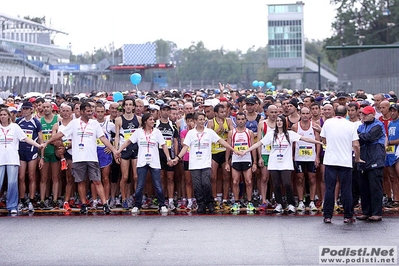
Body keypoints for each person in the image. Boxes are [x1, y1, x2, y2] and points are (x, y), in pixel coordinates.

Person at [43, 102, 119, 214]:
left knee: (97, 181)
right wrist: (47, 142)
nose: (91, 113)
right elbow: (61, 134)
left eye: (91, 111)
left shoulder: (94, 124)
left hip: (92, 157)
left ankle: (104, 204)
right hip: (78, 158)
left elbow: (103, 138)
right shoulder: (74, 123)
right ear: (82, 112)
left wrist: (114, 150)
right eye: (88, 111)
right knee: (81, 182)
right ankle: (83, 204)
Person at [242, 115, 322, 214]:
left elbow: (305, 139)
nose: (279, 122)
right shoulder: (271, 134)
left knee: (287, 183)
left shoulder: (290, 134)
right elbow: (259, 143)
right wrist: (246, 150)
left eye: (281, 121)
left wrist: (319, 142)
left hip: (286, 164)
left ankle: (291, 204)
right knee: (276, 184)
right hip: (274, 163)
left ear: (285, 123)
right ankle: (279, 203)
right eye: (278, 120)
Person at [172, 112, 237, 214]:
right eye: (200, 119)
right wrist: (177, 157)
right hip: (194, 164)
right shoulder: (191, 133)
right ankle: (201, 204)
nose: (202, 121)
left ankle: (210, 202)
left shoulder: (209, 132)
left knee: (206, 183)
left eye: (203, 119)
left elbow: (221, 141)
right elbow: (185, 147)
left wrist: (233, 149)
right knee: (197, 185)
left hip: (206, 163)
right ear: (195, 121)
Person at [117, 113, 170, 214]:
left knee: (157, 184)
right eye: (150, 120)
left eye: (153, 120)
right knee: (140, 184)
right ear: (145, 121)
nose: (153, 121)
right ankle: (137, 205)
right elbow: (128, 142)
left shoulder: (157, 132)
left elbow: (163, 145)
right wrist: (119, 150)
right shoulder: (138, 132)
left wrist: (168, 158)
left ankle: (162, 204)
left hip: (154, 161)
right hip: (142, 161)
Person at [320, 105, 362, 224]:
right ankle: (348, 216)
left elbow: (323, 138)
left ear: (334, 112)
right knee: (346, 189)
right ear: (346, 114)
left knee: (329, 188)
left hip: (330, 159)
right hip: (345, 160)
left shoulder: (328, 123)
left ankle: (327, 216)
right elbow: (356, 144)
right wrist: (357, 158)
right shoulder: (351, 125)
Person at [0, 108, 43, 214]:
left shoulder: (15, 127)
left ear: (9, 116)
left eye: (4, 114)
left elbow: (25, 138)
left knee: (12, 183)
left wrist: (38, 146)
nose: (2, 116)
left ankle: (12, 206)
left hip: (12, 159)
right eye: (0, 114)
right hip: (1, 159)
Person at [356, 106, 385, 222]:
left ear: (372, 114)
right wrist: (360, 138)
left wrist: (359, 137)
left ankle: (377, 213)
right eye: (362, 114)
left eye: (366, 114)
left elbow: (369, 137)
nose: (363, 116)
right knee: (364, 188)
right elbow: (358, 138)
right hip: (364, 158)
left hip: (375, 159)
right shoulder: (361, 126)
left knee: (375, 187)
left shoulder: (378, 125)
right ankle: (366, 211)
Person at [225, 112, 257, 212]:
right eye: (238, 119)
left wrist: (255, 162)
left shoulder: (249, 132)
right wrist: (226, 162)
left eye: (242, 119)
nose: (240, 121)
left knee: (249, 181)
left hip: (246, 159)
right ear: (236, 120)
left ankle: (249, 202)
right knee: (235, 181)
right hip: (235, 159)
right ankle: (236, 202)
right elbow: (228, 148)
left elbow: (253, 148)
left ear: (245, 120)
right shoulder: (232, 132)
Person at [291, 107, 321, 212]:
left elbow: (317, 141)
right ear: (300, 114)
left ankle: (312, 201)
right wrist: (292, 156)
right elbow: (293, 143)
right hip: (299, 157)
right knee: (299, 178)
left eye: (307, 113)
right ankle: (300, 201)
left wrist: (317, 157)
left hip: (311, 156)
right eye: (303, 113)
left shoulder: (314, 126)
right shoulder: (295, 126)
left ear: (310, 114)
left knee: (312, 178)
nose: (305, 115)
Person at [16, 101, 43, 212]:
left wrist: (42, 157)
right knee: (21, 177)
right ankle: (22, 200)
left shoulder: (36, 122)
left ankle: (31, 200)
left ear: (32, 110)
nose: (25, 111)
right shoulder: (18, 122)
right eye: (24, 109)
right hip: (21, 152)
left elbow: (41, 140)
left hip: (32, 152)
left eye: (27, 109)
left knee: (32, 176)